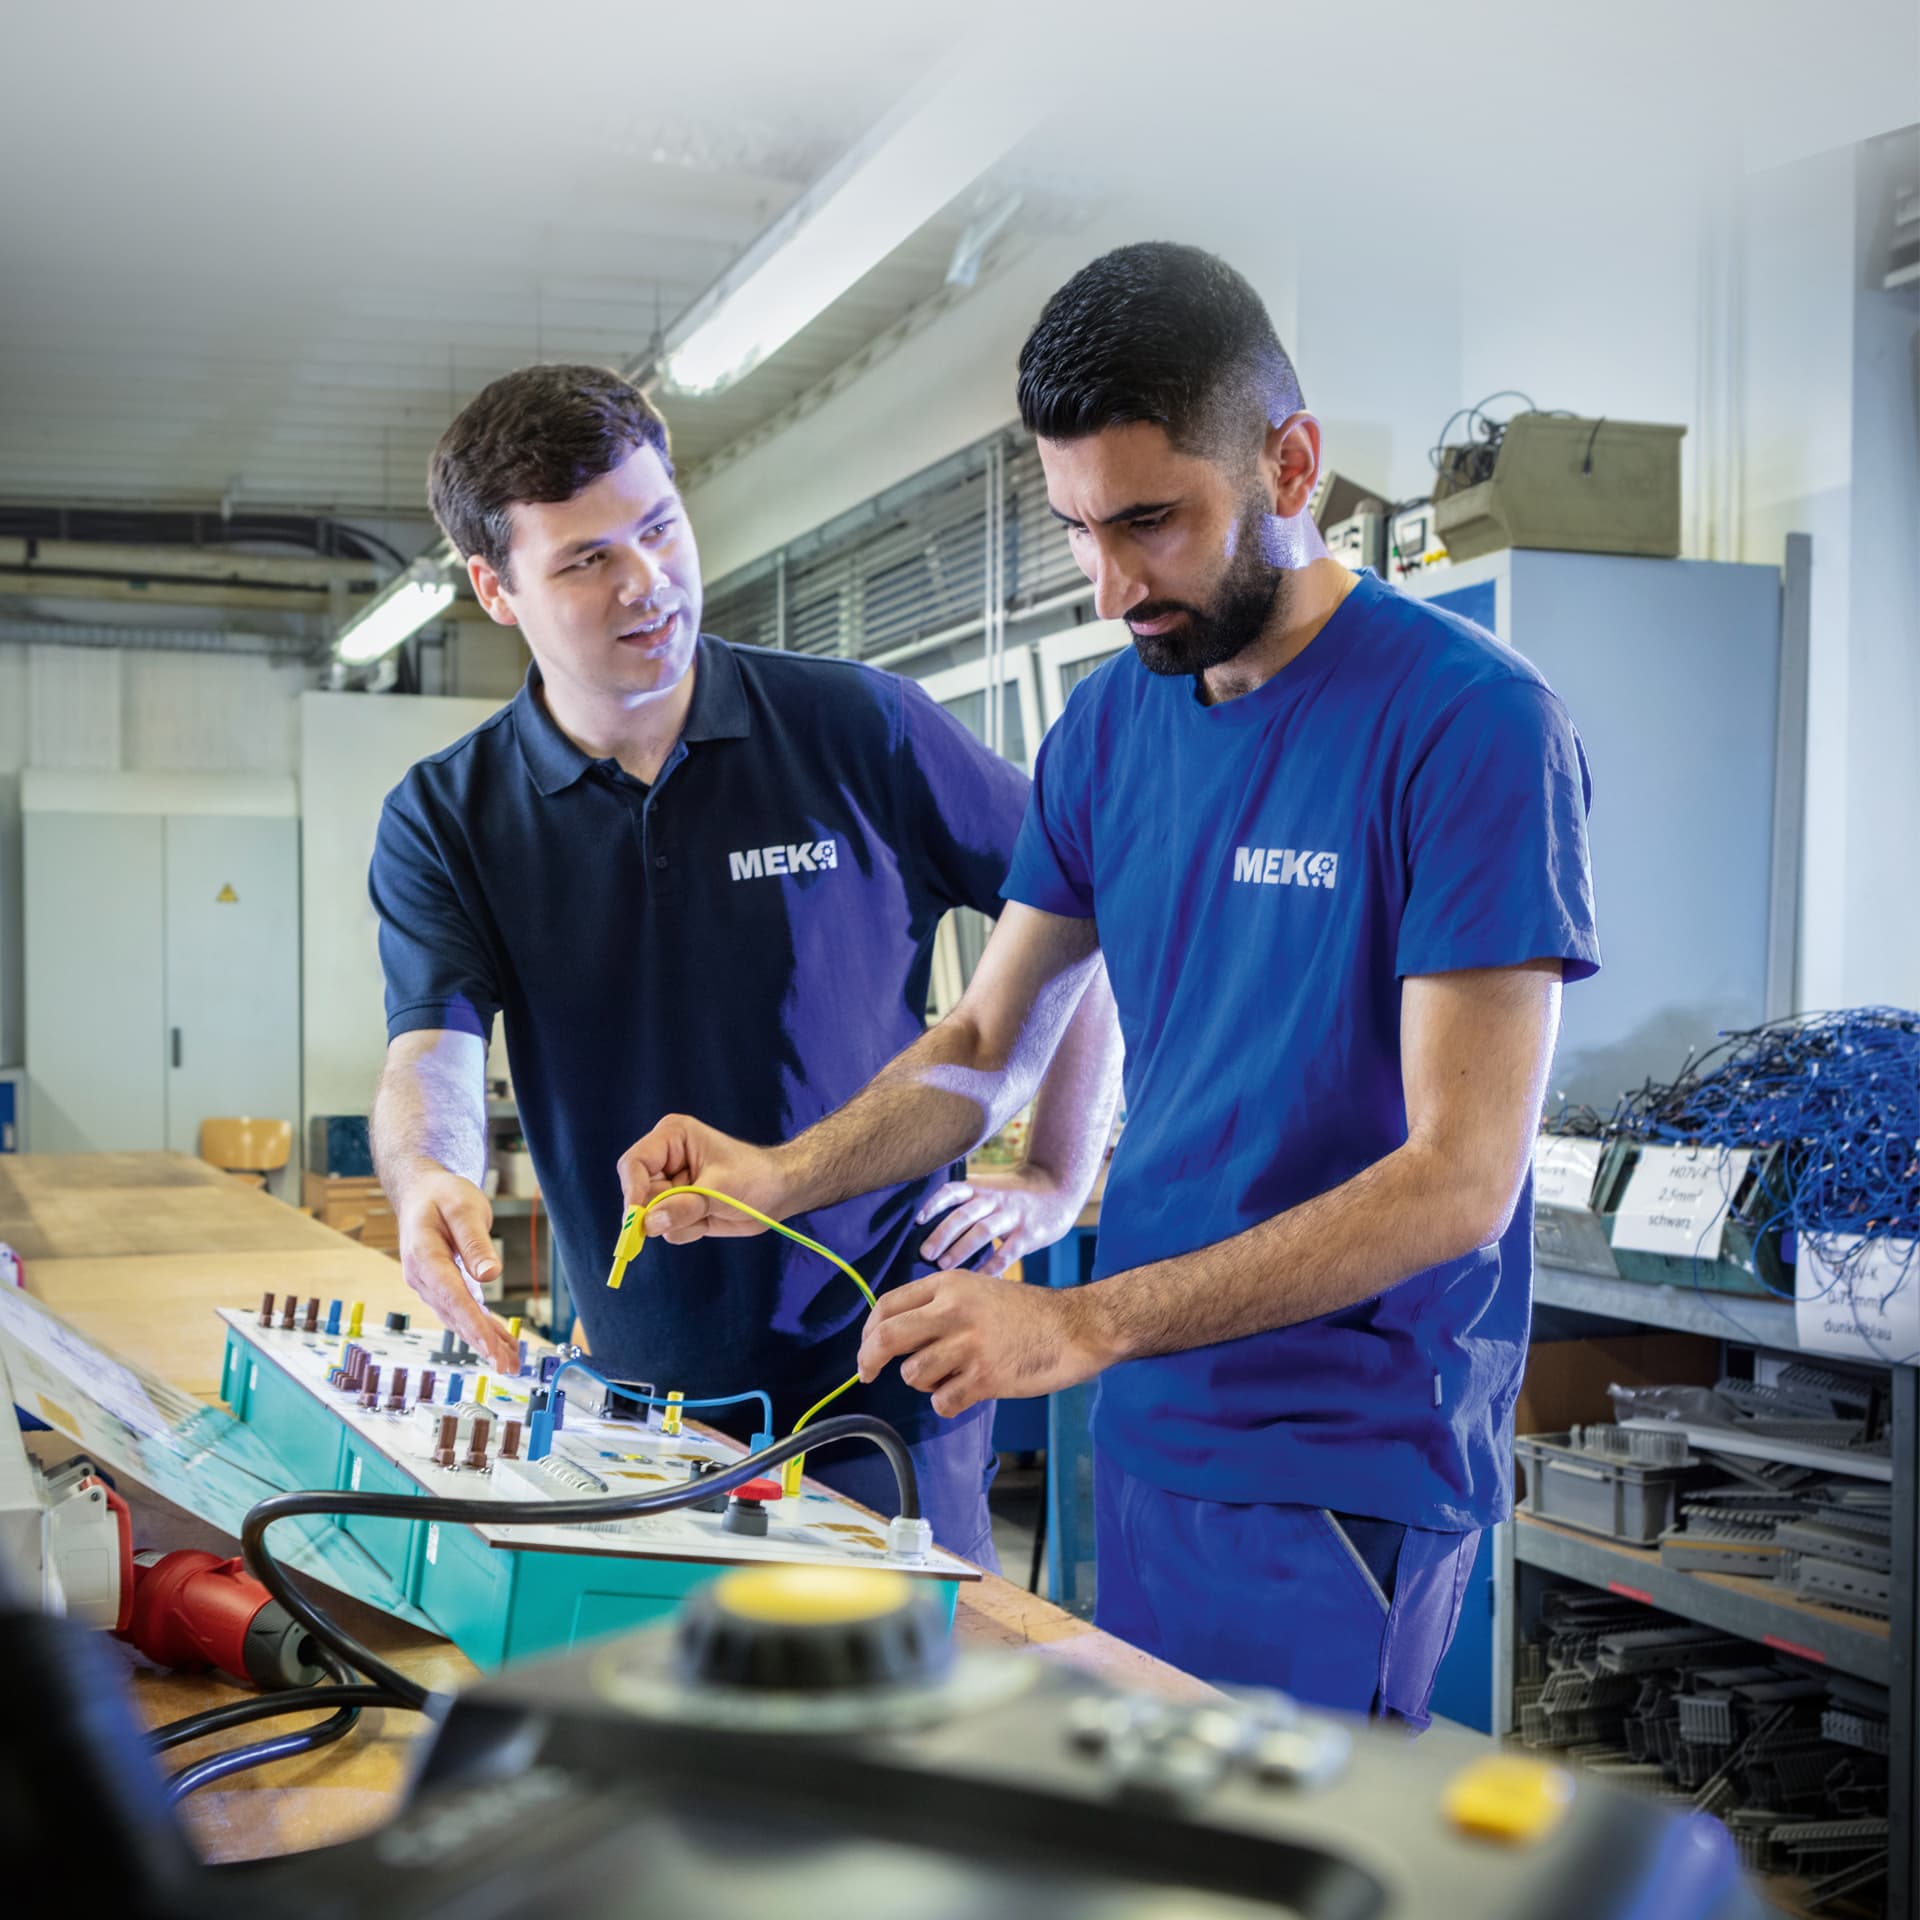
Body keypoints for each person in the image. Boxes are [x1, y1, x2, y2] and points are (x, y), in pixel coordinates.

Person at [623, 244, 1600, 1726]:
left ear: (1291, 463)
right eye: (1078, 526)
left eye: (1152, 521)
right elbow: (982, 1044)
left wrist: (1082, 1323)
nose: (1111, 582)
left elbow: (1461, 1176)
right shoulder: (1103, 732)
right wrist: (781, 1172)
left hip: (1344, 1464)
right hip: (1144, 1440)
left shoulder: (1469, 726)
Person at [366, 363, 1123, 1568]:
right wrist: (426, 1177)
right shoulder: (449, 816)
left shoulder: (862, 729)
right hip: (630, 1393)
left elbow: (1074, 926)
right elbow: (433, 1051)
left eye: (658, 527)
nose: (647, 582)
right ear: (494, 590)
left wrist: (1053, 1172)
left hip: (891, 1381)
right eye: (583, 561)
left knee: (913, 1724)